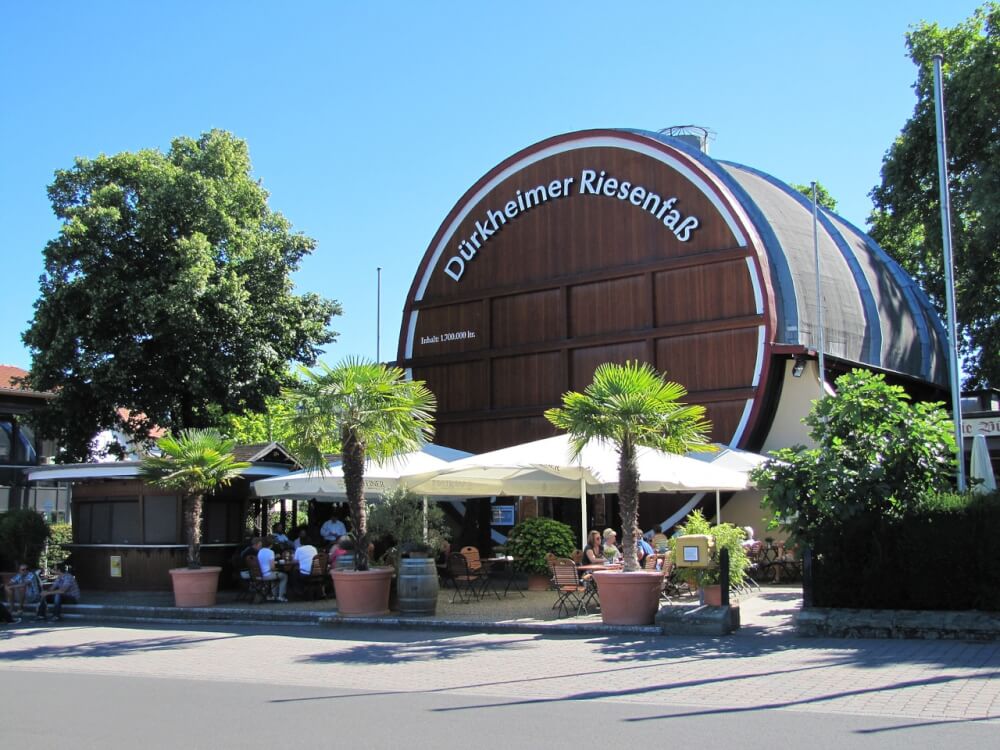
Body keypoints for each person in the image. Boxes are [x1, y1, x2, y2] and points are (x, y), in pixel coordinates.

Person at [257, 535, 288, 602]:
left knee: (275, 577)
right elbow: (272, 568)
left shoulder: (260, 551)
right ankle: (281, 596)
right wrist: (278, 569)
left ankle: (274, 596)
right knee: (284, 576)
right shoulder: (270, 552)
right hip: (268, 574)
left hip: (261, 574)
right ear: (271, 544)